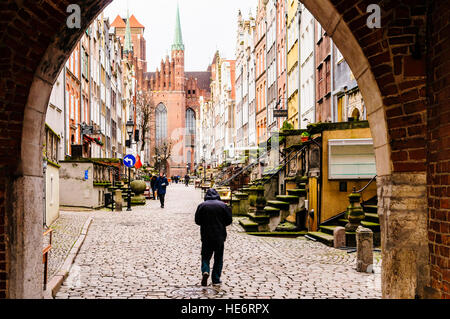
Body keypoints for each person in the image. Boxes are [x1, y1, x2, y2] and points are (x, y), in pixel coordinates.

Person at [194, 188, 232, 287]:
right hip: (219, 235)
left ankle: (205, 271)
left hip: (206, 235)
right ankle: (215, 279)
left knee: (205, 256)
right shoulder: (223, 205)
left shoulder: (202, 206)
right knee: (218, 257)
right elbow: (229, 220)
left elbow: (197, 221)